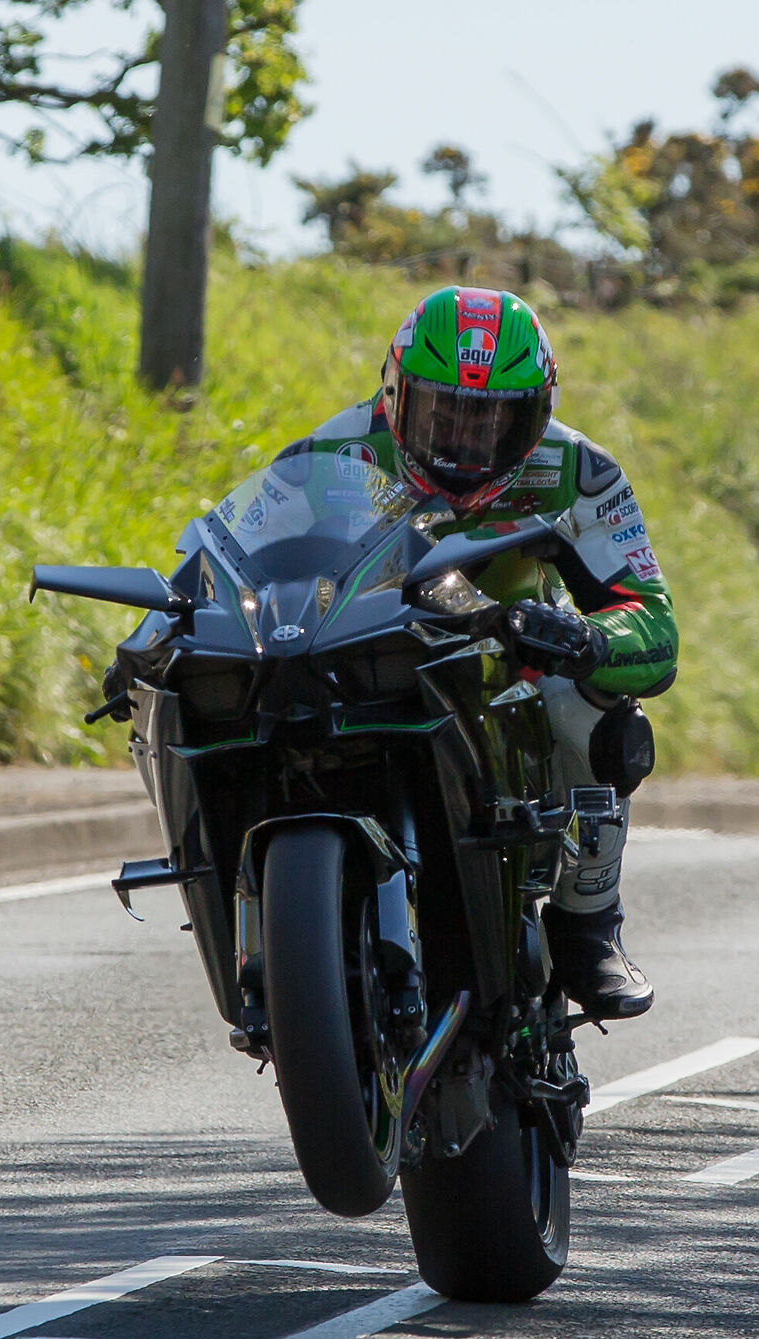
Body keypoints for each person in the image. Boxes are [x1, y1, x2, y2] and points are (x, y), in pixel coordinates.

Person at [277, 285, 678, 1019]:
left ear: (541, 414)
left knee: (594, 705)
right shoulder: (326, 454)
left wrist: (584, 640)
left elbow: (654, 627)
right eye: (445, 414)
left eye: (496, 422)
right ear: (395, 394)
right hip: (369, 661)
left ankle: (588, 920)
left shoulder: (578, 473)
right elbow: (231, 559)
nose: (465, 443)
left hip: (506, 668)